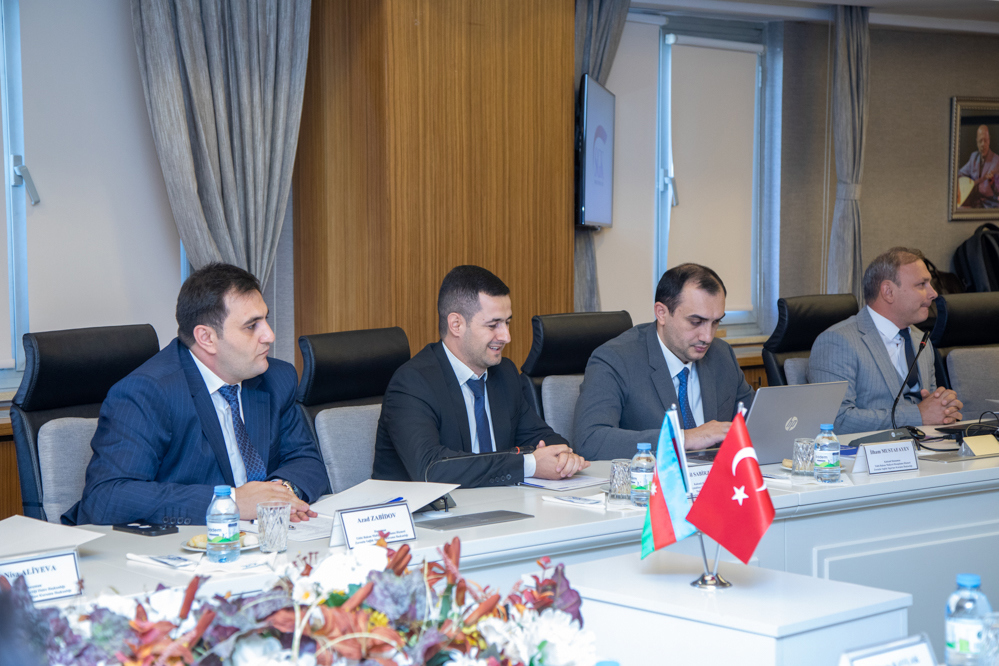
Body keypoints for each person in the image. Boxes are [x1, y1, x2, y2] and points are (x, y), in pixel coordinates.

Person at [63, 263, 329, 526]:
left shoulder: (276, 378)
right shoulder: (146, 393)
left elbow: (306, 461)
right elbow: (107, 497)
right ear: (206, 338)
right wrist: (232, 502)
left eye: (265, 319)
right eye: (251, 326)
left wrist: (278, 494)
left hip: (255, 537)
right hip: (178, 543)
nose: (269, 335)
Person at [373, 265, 589, 487]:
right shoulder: (412, 383)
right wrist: (528, 465)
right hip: (423, 508)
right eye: (493, 325)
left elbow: (542, 437)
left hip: (495, 504)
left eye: (507, 322)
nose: (506, 336)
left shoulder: (504, 374)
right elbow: (431, 469)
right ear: (456, 325)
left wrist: (563, 457)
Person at [573, 263, 754, 461]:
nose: (708, 337)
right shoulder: (616, 359)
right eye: (696, 322)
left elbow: (756, 422)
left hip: (717, 476)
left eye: (716, 322)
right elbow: (590, 441)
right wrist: (682, 438)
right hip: (653, 478)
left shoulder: (721, 355)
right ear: (661, 313)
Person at [808, 247, 963, 434]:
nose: (933, 293)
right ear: (888, 292)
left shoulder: (921, 340)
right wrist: (918, 415)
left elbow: (929, 407)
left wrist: (944, 410)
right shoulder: (837, 341)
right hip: (866, 451)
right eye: (922, 284)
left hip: (925, 446)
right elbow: (836, 420)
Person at [957, 125, 999, 208]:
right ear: (977, 142)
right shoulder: (974, 157)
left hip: (989, 205)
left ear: (989, 141)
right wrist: (960, 185)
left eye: (985, 140)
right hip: (974, 203)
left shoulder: (997, 161)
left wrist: (993, 183)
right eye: (980, 141)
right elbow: (960, 173)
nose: (983, 144)